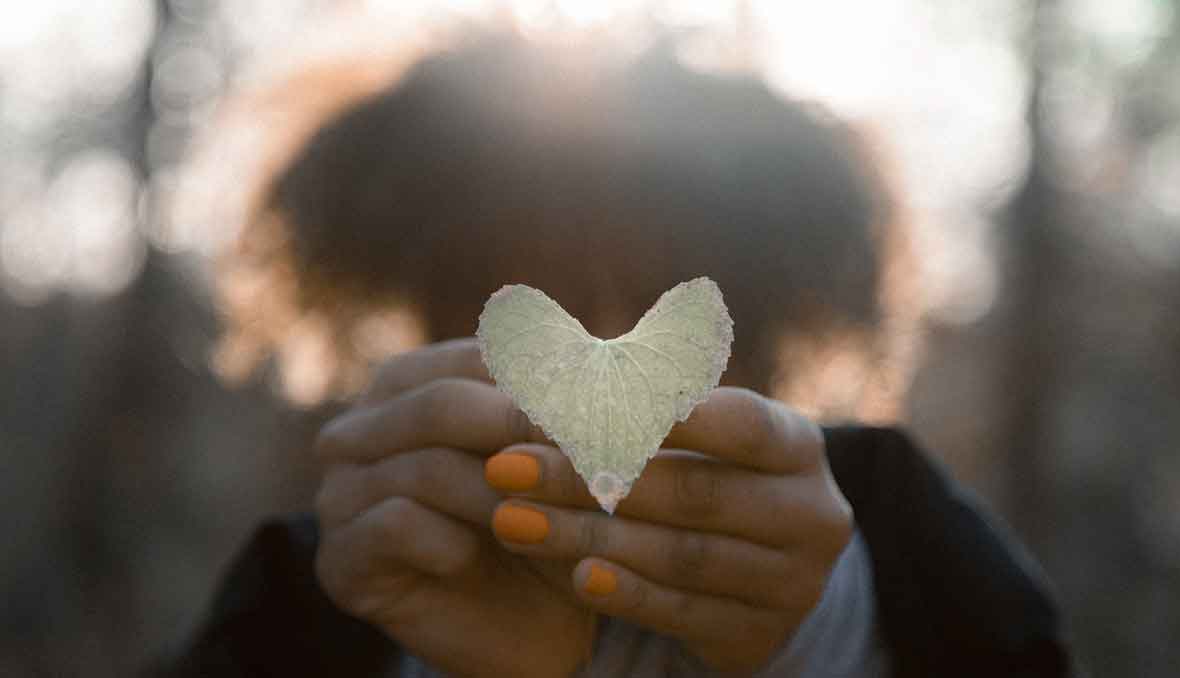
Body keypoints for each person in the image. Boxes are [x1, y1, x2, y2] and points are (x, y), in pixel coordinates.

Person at [160, 30, 1074, 678]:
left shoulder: (928, 576)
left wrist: (817, 639)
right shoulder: (309, 600)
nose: (595, 369)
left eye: (655, 312)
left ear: (765, 337)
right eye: (514, 293)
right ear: (424, 318)